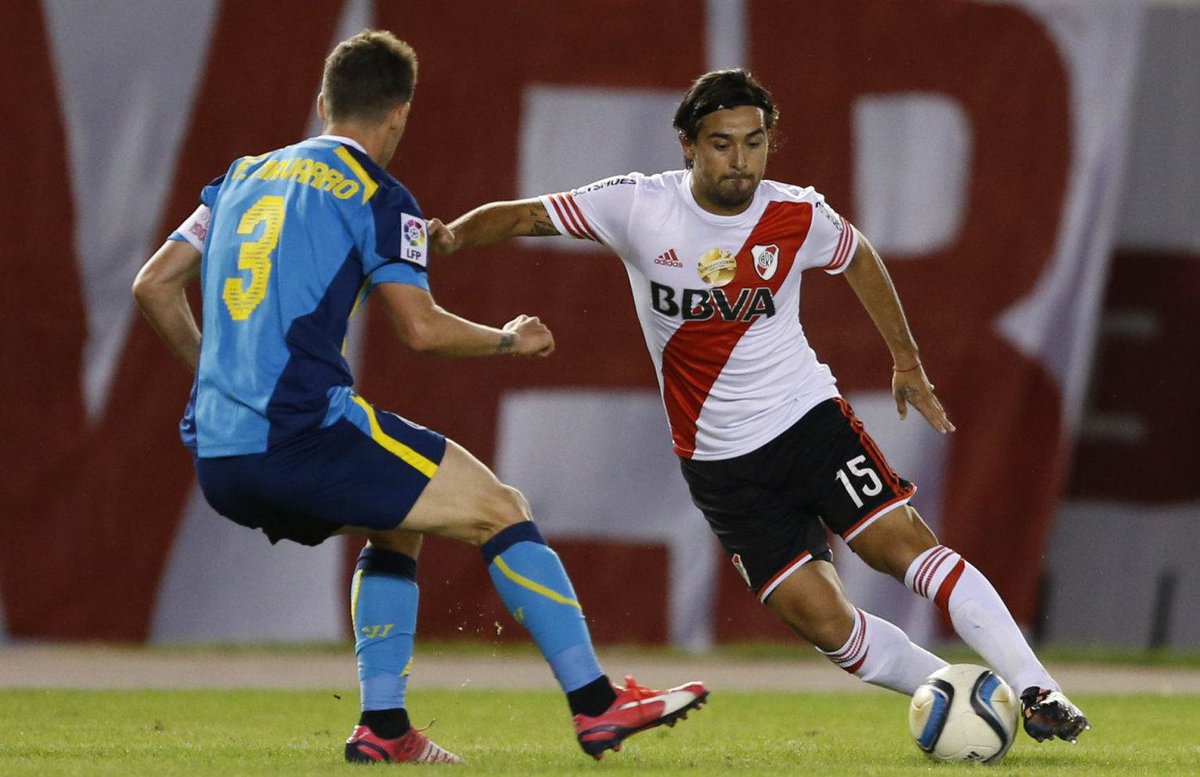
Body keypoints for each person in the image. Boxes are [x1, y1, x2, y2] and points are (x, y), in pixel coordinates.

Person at [430, 68, 1089, 745]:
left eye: (754, 142)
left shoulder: (796, 214)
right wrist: (451, 236)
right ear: (688, 145)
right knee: (828, 625)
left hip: (808, 422)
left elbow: (858, 255)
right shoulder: (638, 206)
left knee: (904, 548)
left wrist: (907, 359)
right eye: (722, 144)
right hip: (720, 465)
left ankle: (1039, 690)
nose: (740, 160)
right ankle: (962, 693)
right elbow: (525, 214)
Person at [132, 29, 707, 765]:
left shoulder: (241, 177)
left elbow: (154, 284)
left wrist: (215, 371)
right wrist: (509, 339)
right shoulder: (379, 196)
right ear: (400, 113)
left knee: (397, 524)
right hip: (302, 435)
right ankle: (598, 705)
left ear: (323, 103)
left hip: (219, 456)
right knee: (501, 508)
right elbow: (422, 329)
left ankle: (384, 726)